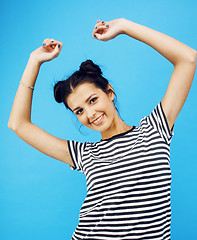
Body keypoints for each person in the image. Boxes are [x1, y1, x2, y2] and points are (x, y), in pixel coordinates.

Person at [8, 18, 196, 239]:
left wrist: (125, 26)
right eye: (79, 111)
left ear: (109, 92)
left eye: (92, 100)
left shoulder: (155, 130)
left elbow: (188, 59)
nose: (90, 114)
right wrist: (34, 61)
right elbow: (18, 124)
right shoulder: (83, 154)